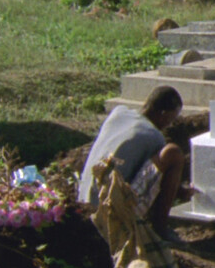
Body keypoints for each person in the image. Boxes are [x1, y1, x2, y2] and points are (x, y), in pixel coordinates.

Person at [79, 86, 189, 243]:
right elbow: (154, 181)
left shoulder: (118, 113)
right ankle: (160, 228)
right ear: (162, 115)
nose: (169, 125)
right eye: (170, 120)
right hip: (107, 215)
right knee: (173, 153)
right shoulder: (153, 136)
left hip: (84, 202)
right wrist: (180, 191)